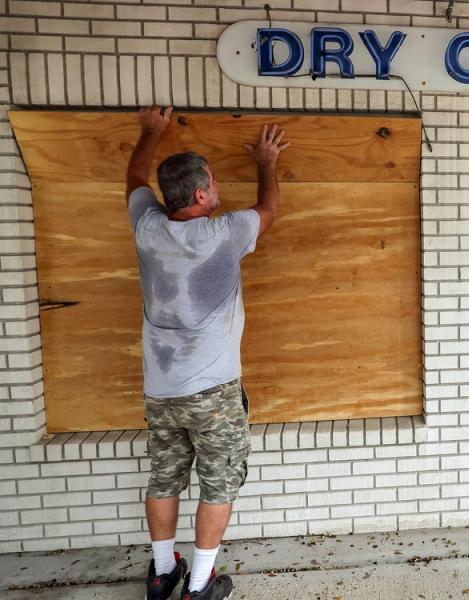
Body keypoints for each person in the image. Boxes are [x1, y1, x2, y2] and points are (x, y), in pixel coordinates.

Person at [126, 106, 289, 600]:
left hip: (161, 388)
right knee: (217, 484)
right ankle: (199, 586)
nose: (218, 190)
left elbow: (135, 176)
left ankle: (161, 574)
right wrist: (266, 161)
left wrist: (149, 131)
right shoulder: (224, 232)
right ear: (201, 195)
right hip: (214, 393)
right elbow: (270, 210)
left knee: (164, 478)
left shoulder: (146, 227)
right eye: (214, 183)